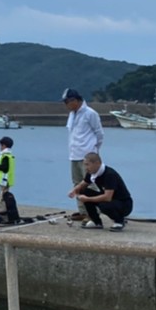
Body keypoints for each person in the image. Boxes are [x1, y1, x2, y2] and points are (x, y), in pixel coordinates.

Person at [63, 88, 104, 220]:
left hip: (87, 155)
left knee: (90, 184)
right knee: (77, 184)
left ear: (75, 100)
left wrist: (94, 151)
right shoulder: (72, 114)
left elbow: (99, 133)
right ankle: (83, 211)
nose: (66, 105)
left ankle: (94, 213)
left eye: (67, 102)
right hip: (74, 154)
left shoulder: (90, 113)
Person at [69, 150, 132, 230]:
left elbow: (107, 197)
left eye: (87, 165)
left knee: (104, 205)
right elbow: (83, 183)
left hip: (124, 204)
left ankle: (119, 221)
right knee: (83, 191)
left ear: (97, 163)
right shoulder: (92, 172)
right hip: (110, 201)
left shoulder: (109, 174)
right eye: (85, 165)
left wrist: (87, 199)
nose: (86, 168)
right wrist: (74, 190)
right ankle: (96, 221)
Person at [0, 135, 20, 223]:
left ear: (4, 146)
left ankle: (4, 217)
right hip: (7, 181)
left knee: (2, 199)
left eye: (0, 145)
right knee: (4, 197)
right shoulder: (9, 155)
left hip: (4, 181)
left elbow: (5, 168)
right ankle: (6, 216)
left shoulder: (5, 156)